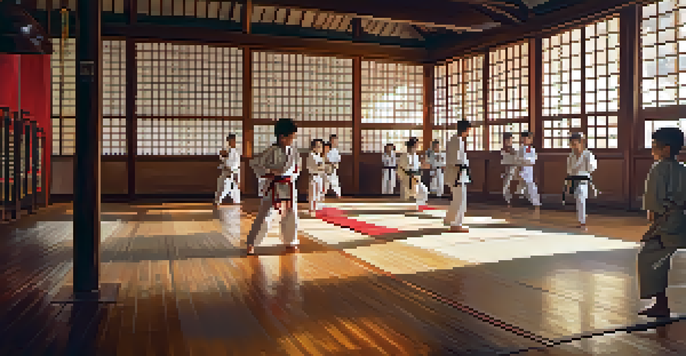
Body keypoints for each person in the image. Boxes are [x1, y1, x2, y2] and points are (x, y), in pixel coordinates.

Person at [636, 127, 686, 318]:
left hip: (667, 222)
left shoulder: (658, 169)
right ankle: (661, 303)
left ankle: (661, 304)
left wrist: (654, 220)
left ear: (666, 149)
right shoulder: (683, 169)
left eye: (655, 146)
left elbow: (654, 200)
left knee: (650, 257)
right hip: (682, 218)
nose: (652, 151)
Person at [246, 118, 301, 256]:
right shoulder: (271, 151)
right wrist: (269, 172)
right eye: (291, 137)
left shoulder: (293, 151)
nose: (292, 140)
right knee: (266, 213)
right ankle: (252, 242)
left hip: (288, 185)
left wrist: (293, 174)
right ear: (282, 137)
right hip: (274, 184)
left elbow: (297, 167)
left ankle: (290, 241)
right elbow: (255, 163)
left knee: (290, 212)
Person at [565, 132, 598, 230]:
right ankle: (581, 220)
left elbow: (592, 168)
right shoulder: (571, 156)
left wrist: (585, 162)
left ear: (581, 143)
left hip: (583, 178)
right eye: (572, 144)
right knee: (578, 199)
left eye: (575, 144)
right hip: (574, 178)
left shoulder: (587, 154)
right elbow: (569, 170)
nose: (574, 146)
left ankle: (582, 221)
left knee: (581, 198)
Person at [444, 120, 472, 232]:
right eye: (468, 130)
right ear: (465, 129)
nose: (469, 133)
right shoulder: (456, 141)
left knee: (458, 198)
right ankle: (455, 224)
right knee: (460, 199)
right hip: (457, 173)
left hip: (457, 173)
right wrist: (463, 165)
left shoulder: (454, 140)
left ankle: (450, 220)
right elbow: (455, 159)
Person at [398, 137, 428, 210]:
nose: (417, 146)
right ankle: (408, 209)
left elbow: (417, 166)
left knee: (423, 190)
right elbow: (401, 167)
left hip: (415, 177)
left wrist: (420, 167)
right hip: (407, 177)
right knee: (408, 195)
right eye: (416, 144)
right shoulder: (404, 156)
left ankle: (420, 206)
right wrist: (404, 176)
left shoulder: (416, 155)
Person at [515, 131, 541, 216]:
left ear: (531, 140)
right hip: (521, 169)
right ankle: (520, 201)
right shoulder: (520, 149)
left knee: (531, 186)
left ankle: (536, 202)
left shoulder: (532, 150)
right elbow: (517, 159)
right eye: (524, 138)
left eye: (527, 138)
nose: (525, 140)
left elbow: (532, 160)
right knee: (521, 186)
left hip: (529, 170)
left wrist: (525, 160)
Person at [215, 134, 241, 206]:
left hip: (233, 171)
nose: (231, 142)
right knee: (223, 186)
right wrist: (223, 157)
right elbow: (226, 161)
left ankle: (237, 201)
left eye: (233, 140)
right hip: (228, 171)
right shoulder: (228, 150)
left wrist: (229, 166)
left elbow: (235, 162)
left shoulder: (235, 151)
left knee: (234, 187)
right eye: (230, 141)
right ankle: (218, 200)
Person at [306, 139, 326, 216]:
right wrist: (323, 167)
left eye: (321, 146)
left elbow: (322, 167)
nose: (320, 148)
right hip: (313, 176)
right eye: (318, 146)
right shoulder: (312, 155)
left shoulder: (318, 156)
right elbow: (318, 166)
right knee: (312, 194)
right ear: (313, 148)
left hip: (318, 176)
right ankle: (311, 209)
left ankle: (316, 208)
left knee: (318, 192)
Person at [501, 132, 519, 208]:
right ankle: (507, 200)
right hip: (506, 168)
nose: (509, 141)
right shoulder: (503, 150)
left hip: (514, 168)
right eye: (507, 140)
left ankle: (514, 199)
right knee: (506, 185)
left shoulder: (514, 150)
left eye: (510, 140)